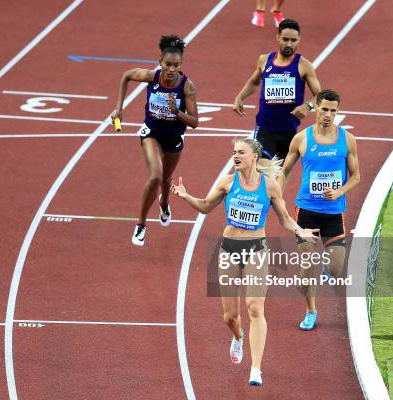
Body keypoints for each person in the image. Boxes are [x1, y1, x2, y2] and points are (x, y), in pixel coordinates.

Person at [171, 138, 319, 385]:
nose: (235, 155)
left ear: (254, 156)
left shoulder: (270, 186)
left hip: (256, 249)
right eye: (233, 152)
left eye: (241, 152)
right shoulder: (228, 183)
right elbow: (206, 207)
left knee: (255, 308)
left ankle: (256, 369)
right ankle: (238, 338)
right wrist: (186, 196)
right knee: (230, 316)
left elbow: (283, 218)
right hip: (229, 249)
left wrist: (300, 231)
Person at [278, 89, 361, 330]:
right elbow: (284, 171)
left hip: (334, 212)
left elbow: (356, 176)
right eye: (324, 109)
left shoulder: (347, 139)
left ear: (337, 112)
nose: (328, 115)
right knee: (306, 268)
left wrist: (339, 191)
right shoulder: (302, 139)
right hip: (307, 210)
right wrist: (278, 198)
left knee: (335, 270)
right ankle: (310, 310)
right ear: (316, 108)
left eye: (333, 111)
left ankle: (326, 266)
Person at [111, 35, 198, 246]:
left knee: (166, 179)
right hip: (151, 133)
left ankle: (164, 203)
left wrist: (176, 111)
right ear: (160, 63)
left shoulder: (187, 87)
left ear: (180, 66)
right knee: (155, 177)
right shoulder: (151, 77)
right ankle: (140, 225)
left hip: (174, 138)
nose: (171, 69)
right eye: (167, 64)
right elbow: (126, 76)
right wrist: (119, 108)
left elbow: (194, 122)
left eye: (175, 65)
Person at [233, 19, 321, 164]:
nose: (289, 44)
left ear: (299, 40)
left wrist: (308, 106)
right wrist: (240, 97)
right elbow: (254, 81)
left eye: (293, 40)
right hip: (265, 128)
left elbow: (319, 95)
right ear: (278, 37)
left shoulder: (304, 65)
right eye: (285, 39)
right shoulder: (264, 60)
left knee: (279, 178)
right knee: (264, 170)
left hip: (289, 130)